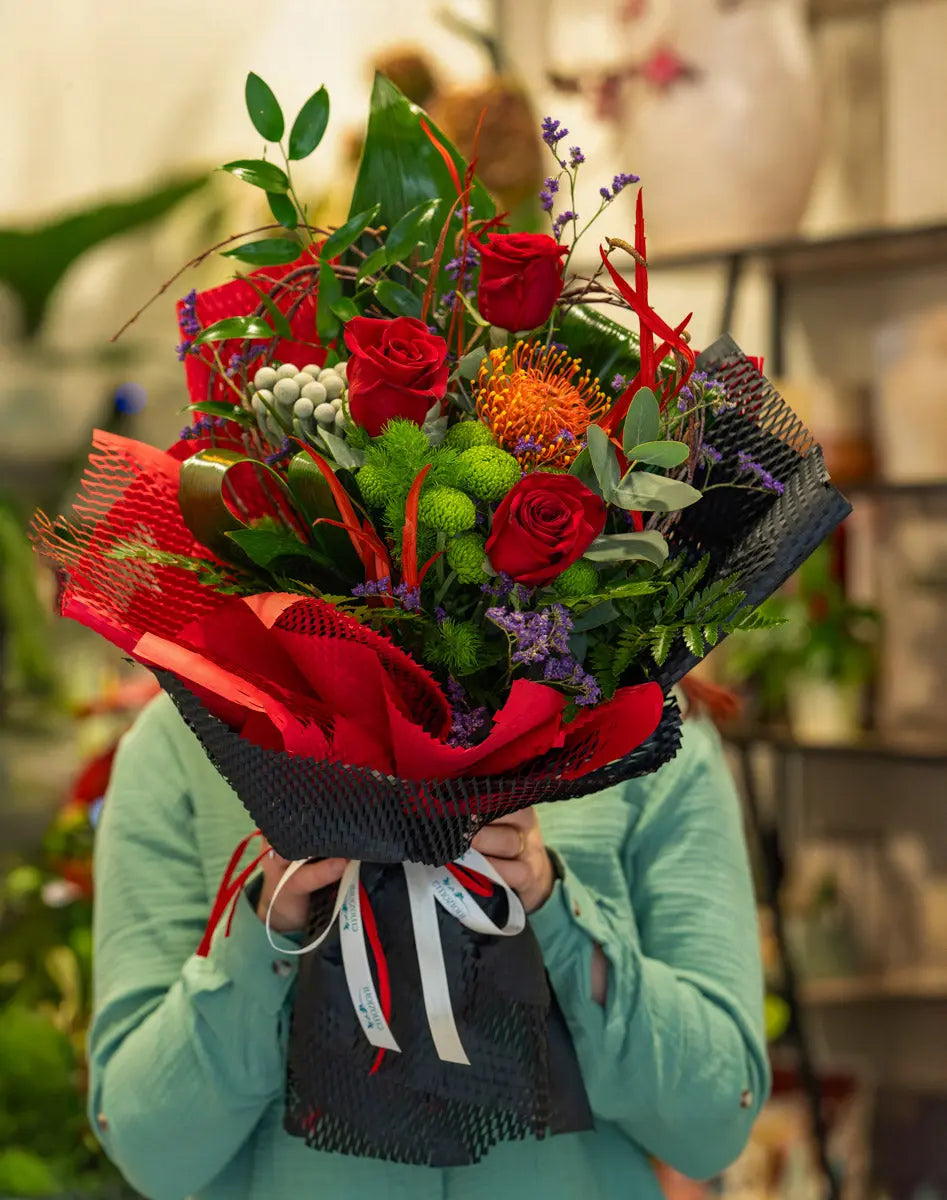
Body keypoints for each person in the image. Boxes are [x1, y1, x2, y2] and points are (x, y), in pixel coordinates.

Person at [88, 691, 769, 1200]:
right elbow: (150, 1146)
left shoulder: (641, 732)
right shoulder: (187, 742)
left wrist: (549, 910)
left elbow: (713, 1120)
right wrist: (271, 927)